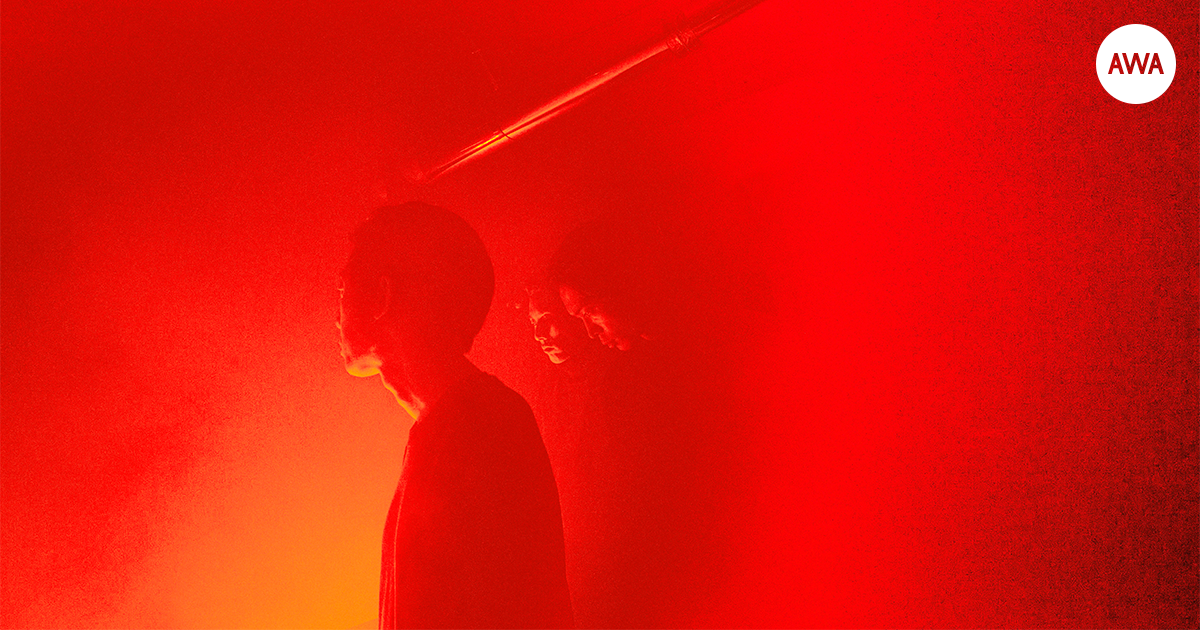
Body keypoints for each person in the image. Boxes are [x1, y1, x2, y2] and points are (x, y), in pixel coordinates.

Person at [337, 202, 573, 629]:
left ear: (383, 295)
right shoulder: (460, 424)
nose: (335, 312)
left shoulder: (485, 430)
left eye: (343, 288)